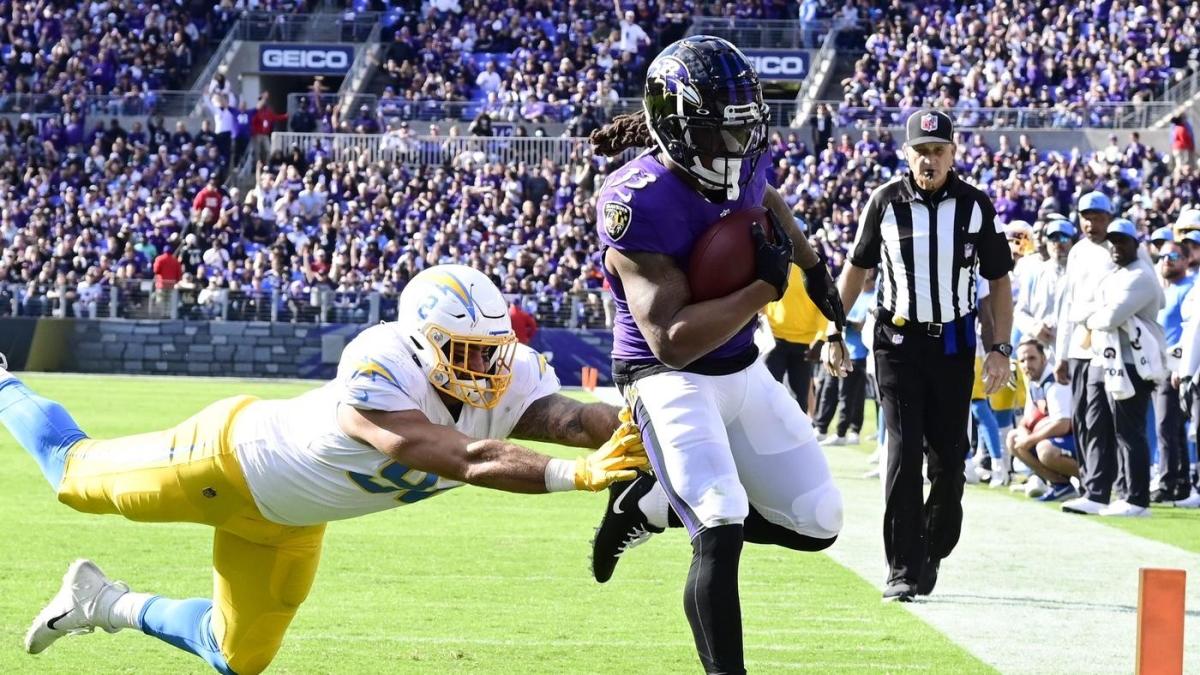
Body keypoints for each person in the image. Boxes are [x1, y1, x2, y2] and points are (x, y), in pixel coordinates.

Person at [0, 265, 648, 674]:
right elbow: (458, 456)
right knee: (72, 474)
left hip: (289, 520)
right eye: (467, 352)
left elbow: (568, 416)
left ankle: (102, 602)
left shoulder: (511, 375)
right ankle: (4, 382)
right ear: (423, 342)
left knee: (238, 656)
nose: (487, 369)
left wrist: (633, 430)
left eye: (493, 350)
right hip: (225, 460)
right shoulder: (379, 363)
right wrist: (574, 475)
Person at [584, 36, 846, 675]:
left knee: (819, 520)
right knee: (720, 518)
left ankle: (647, 503)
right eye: (714, 133)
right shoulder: (634, 200)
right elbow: (671, 339)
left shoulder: (740, 156)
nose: (734, 149)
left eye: (741, 131)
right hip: (667, 377)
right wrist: (765, 286)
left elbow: (766, 197)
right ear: (674, 128)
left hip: (738, 363)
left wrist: (812, 267)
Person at [823, 109, 1015, 602]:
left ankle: (934, 538)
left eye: (938, 150)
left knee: (950, 461)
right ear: (906, 154)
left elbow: (998, 281)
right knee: (903, 454)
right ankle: (902, 567)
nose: (929, 159)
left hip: (952, 343)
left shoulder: (975, 206)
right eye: (921, 151)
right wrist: (833, 329)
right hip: (897, 343)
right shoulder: (884, 202)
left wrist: (999, 349)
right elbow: (855, 269)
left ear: (954, 154)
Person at [1061, 219, 1165, 517]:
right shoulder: (1116, 275)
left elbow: (1107, 318)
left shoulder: (1142, 276)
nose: (1116, 247)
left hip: (1130, 364)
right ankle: (1096, 492)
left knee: (1128, 431)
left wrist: (1093, 314)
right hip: (1104, 359)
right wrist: (1095, 313)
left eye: (1123, 242)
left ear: (1136, 245)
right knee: (1098, 426)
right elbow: (1083, 309)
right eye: (1113, 242)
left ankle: (1136, 498)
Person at [1008, 338, 1078, 502]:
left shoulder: (1055, 383)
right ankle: (1061, 486)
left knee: (1045, 449)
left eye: (1032, 358)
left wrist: (1030, 439)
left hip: (1081, 439)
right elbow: (1026, 420)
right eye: (1022, 360)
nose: (1026, 364)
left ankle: (1096, 481)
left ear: (1044, 358)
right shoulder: (1034, 383)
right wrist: (1024, 433)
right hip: (1063, 438)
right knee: (1014, 438)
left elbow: (1063, 424)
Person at [1153, 241, 1194, 504]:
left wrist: (1179, 366)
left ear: (1186, 260)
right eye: (1163, 255)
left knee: (1166, 427)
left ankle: (1168, 483)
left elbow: (1188, 332)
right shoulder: (1164, 291)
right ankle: (1180, 482)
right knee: (1173, 429)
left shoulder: (1188, 290)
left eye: (1174, 256)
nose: (1167, 260)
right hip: (1160, 367)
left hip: (1174, 367)